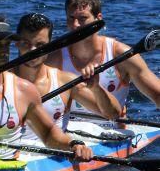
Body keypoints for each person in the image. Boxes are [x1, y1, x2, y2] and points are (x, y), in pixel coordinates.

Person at [0, 14, 93, 162]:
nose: (4, 51)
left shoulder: (24, 90)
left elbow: (48, 134)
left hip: (6, 169)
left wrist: (74, 144)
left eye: (6, 44)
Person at [46, 0, 160, 120]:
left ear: (98, 19)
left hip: (113, 131)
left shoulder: (122, 55)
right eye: (71, 18)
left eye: (82, 18)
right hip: (70, 132)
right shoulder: (53, 59)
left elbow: (157, 95)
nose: (75, 25)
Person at [14, 13, 121, 141]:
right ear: (17, 43)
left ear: (50, 46)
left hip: (55, 154)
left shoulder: (64, 82)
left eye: (40, 45)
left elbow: (113, 114)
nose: (33, 50)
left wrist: (96, 88)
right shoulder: (1, 80)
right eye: (26, 44)